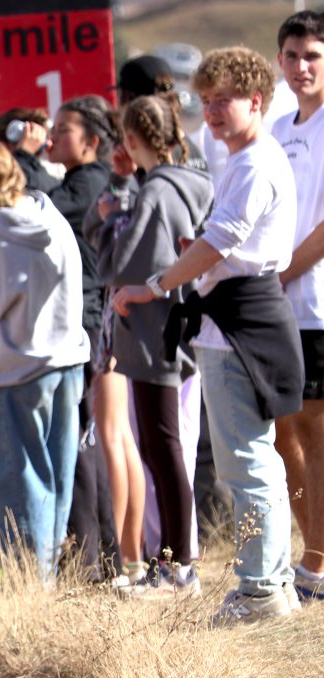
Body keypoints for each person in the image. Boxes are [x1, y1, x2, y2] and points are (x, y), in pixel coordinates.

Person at [114, 46, 302, 623]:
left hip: (244, 316)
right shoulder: (242, 159)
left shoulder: (253, 162)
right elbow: (216, 245)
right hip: (230, 318)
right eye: (208, 100)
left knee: (247, 458)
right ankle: (267, 582)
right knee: (245, 457)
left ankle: (261, 589)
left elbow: (220, 242)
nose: (214, 111)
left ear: (257, 101)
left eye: (225, 100)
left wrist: (154, 285)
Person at [0, 138, 89, 579]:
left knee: (13, 490)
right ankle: (44, 578)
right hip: (67, 363)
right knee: (56, 482)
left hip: (14, 372)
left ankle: (28, 589)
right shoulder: (52, 215)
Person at [89, 94, 215, 596]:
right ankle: (177, 564)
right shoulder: (188, 180)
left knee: (162, 449)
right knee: (165, 448)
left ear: (133, 138)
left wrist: (113, 206)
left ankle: (178, 566)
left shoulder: (156, 192)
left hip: (152, 330)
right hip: (175, 325)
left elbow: (120, 264)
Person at [46, 95, 124, 579]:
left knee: (79, 442)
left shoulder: (86, 185)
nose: (51, 136)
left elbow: (29, 204)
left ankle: (90, 561)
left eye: (62, 129)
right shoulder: (86, 182)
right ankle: (103, 557)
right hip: (90, 321)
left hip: (83, 323)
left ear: (93, 142)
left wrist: (27, 159)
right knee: (86, 440)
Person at [272, 10, 324, 604]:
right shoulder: (281, 129)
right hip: (279, 309)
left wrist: (284, 271)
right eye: (292, 55)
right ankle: (313, 555)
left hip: (314, 302)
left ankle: (317, 560)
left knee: (314, 427)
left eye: (312, 55)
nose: (301, 66)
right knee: (287, 433)